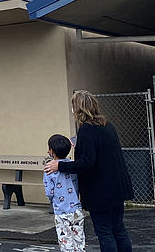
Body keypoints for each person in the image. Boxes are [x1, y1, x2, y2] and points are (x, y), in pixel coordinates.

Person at [43, 91, 134, 252]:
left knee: (105, 232)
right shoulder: (107, 126)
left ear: (78, 109)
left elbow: (86, 162)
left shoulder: (86, 131)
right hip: (118, 187)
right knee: (119, 229)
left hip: (100, 191)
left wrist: (60, 166)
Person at [43, 134, 85, 252]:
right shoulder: (72, 165)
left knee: (65, 241)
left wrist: (51, 199)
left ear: (51, 151)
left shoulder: (49, 169)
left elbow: (49, 191)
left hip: (61, 210)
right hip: (76, 209)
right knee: (79, 239)